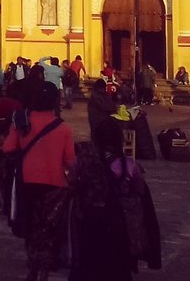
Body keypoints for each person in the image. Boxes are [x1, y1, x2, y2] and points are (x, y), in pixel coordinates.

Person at [69, 117, 161, 280]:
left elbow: (72, 183)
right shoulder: (128, 165)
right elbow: (140, 192)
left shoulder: (85, 162)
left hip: (89, 228)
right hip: (118, 228)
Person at [2, 81, 75, 281]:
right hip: (55, 186)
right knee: (49, 229)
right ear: (55, 101)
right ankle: (44, 269)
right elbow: (70, 160)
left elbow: (8, 149)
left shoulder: (22, 121)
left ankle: (32, 266)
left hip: (27, 182)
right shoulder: (63, 128)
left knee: (31, 227)